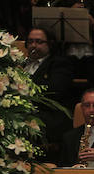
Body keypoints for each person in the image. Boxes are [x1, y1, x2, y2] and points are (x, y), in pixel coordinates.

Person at [24, 27, 74, 161]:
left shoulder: (59, 64)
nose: (34, 45)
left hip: (48, 116)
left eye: (39, 42)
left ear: (49, 44)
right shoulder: (21, 64)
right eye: (30, 42)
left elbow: (54, 91)